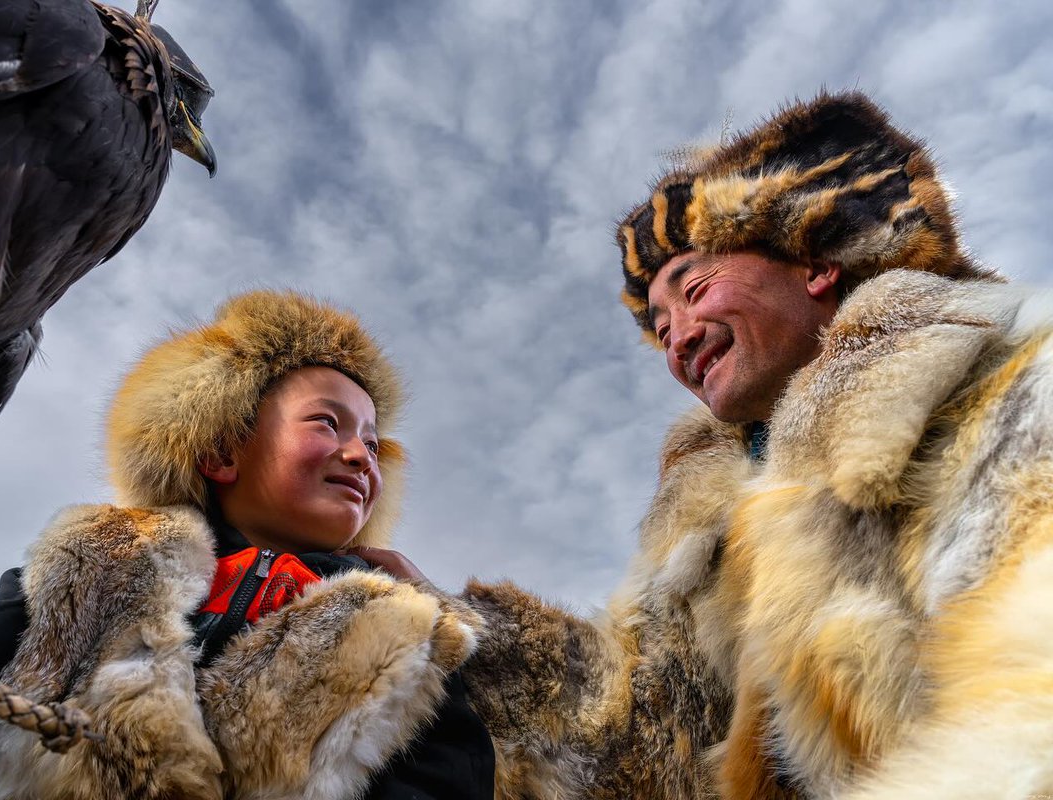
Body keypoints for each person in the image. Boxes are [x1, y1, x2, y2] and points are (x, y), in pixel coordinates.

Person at [428, 91, 1053, 799]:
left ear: (815, 260)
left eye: (694, 288)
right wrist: (430, 633)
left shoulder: (1001, 376)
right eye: (661, 330)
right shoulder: (707, 519)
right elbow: (632, 731)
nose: (679, 338)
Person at [0, 290, 494, 799]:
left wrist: (430, 608)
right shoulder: (103, 560)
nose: (361, 456)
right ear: (221, 453)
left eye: (373, 444)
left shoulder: (400, 620)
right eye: (326, 423)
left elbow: (446, 772)